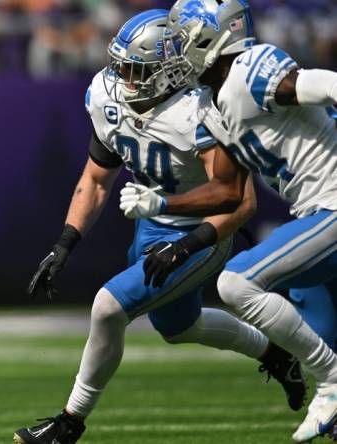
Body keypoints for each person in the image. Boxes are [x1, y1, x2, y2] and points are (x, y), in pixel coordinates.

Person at [13, 9, 304, 444]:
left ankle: (69, 423)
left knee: (108, 308)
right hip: (150, 225)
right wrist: (65, 242)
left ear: (169, 70)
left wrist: (189, 245)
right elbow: (95, 179)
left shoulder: (201, 111)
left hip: (203, 230)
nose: (123, 78)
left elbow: (240, 203)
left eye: (137, 69)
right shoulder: (106, 97)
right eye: (121, 66)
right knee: (179, 328)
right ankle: (277, 355)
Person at [118, 0, 337, 441]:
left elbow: (326, 82)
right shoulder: (209, 105)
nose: (175, 52)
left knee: (237, 282)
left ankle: (333, 378)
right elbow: (228, 193)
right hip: (315, 213)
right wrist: (161, 204)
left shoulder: (249, 69)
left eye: (182, 41)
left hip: (332, 206)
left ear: (208, 39)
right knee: (320, 332)